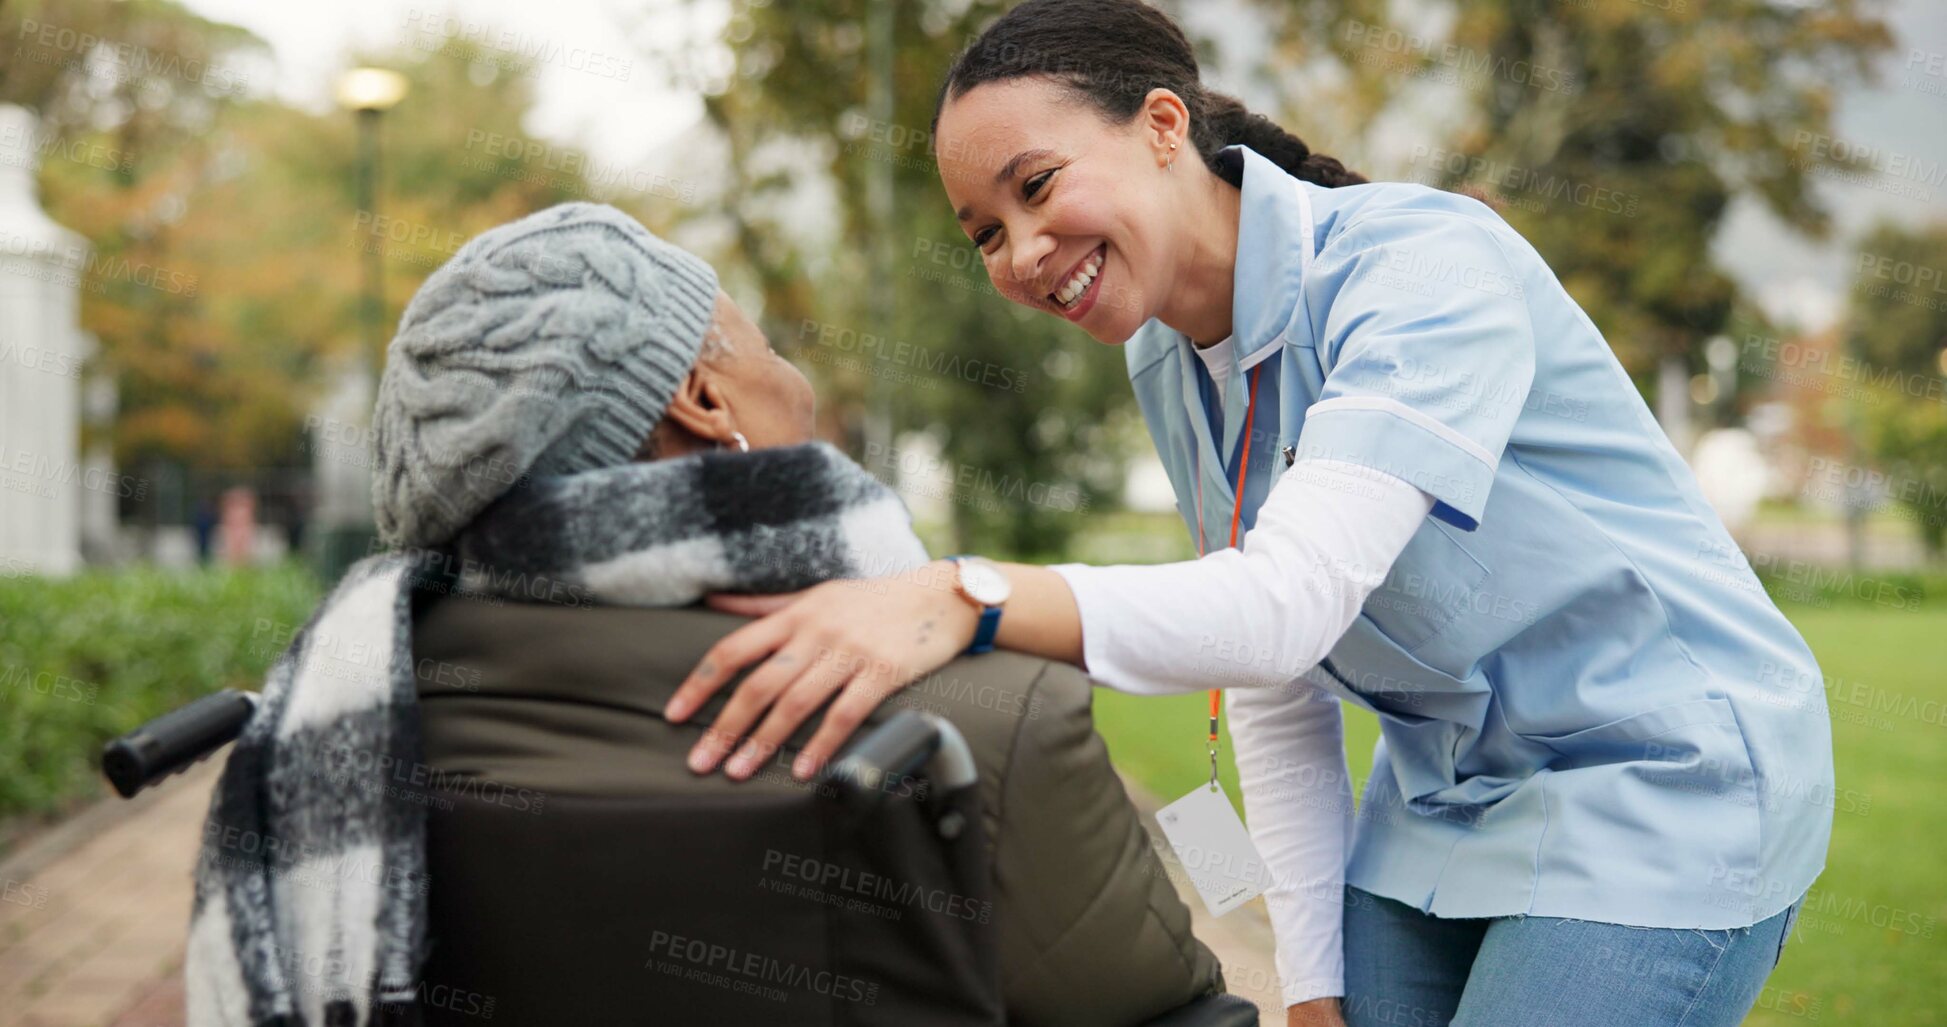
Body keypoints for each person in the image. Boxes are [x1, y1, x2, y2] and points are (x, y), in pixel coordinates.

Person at [667, 2, 1831, 1026]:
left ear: (1164, 127)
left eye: (1036, 186)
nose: (1022, 253)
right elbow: (1282, 680)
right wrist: (1312, 979)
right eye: (984, 233)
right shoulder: (1167, 359)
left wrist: (960, 594)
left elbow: (1280, 610)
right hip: (1446, 803)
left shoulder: (1422, 267)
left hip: (1661, 779)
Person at [189, 202, 1230, 1027]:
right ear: (701, 398)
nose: (795, 373)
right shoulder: (985, 724)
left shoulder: (327, 737)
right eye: (760, 341)